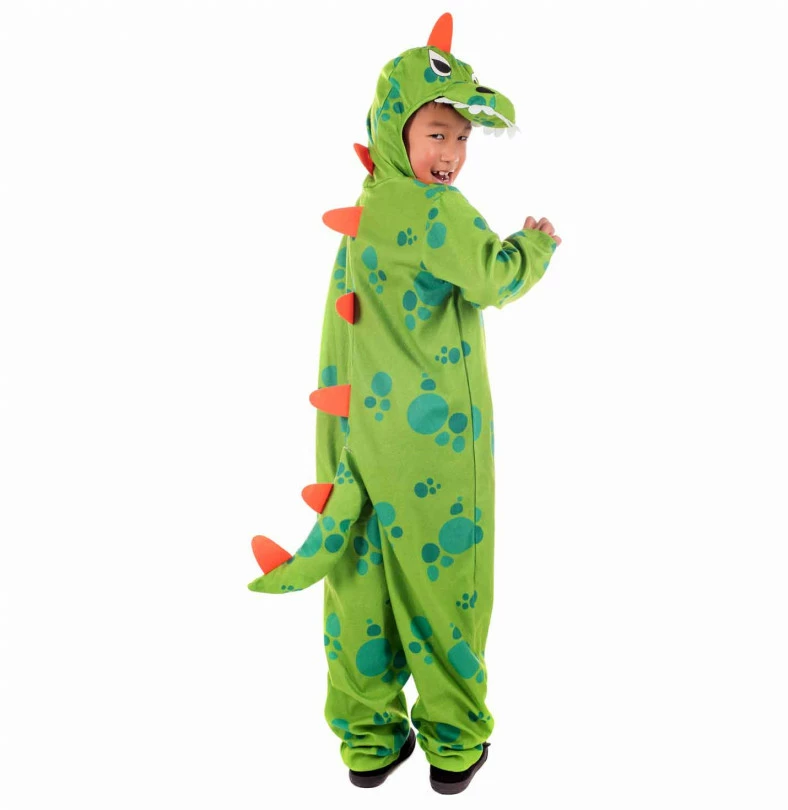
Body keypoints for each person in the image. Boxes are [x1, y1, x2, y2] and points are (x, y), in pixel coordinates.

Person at [246, 12, 561, 795]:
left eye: (462, 139)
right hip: (432, 442)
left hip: (355, 435)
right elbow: (494, 279)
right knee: (445, 583)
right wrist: (534, 246)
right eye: (437, 134)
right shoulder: (436, 211)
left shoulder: (371, 207)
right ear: (397, 129)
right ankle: (453, 743)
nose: (450, 154)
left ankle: (368, 739)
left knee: (360, 579)